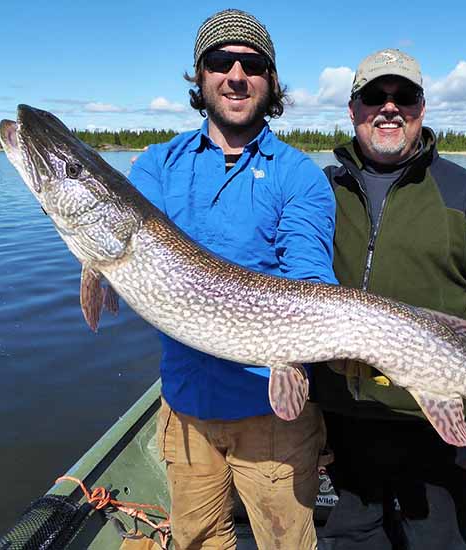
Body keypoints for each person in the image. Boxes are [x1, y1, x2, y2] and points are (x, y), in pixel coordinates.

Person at [314, 49, 466, 549]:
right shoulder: (320, 192)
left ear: (421, 108)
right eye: (374, 96)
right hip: (341, 422)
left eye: (403, 96)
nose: (389, 107)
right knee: (350, 540)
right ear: (353, 108)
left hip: (434, 425)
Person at [128, 9, 337, 549]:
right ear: (201, 76)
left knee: (287, 543)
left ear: (271, 81)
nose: (236, 76)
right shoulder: (156, 166)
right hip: (185, 406)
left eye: (253, 64)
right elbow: (122, 248)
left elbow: (309, 275)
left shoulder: (298, 175)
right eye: (221, 61)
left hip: (272, 411)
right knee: (197, 541)